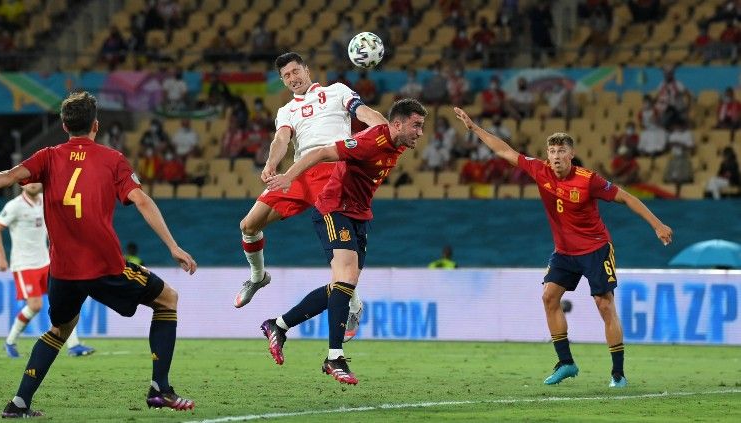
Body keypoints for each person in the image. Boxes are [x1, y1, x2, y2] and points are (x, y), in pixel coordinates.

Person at [0, 92, 198, 418]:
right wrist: (173, 246)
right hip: (105, 267)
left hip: (61, 272)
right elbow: (141, 201)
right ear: (96, 125)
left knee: (59, 330)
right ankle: (160, 388)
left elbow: (6, 178)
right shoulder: (112, 159)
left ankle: (18, 402)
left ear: (63, 126)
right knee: (167, 299)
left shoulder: (47, 156)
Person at [453, 106, 673, 388]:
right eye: (552, 152)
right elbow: (504, 151)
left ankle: (618, 374)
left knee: (604, 305)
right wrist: (474, 128)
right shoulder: (540, 170)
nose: (556, 157)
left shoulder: (589, 180)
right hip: (565, 252)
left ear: (571, 155)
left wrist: (657, 224)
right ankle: (566, 362)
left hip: (596, 249)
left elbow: (627, 198)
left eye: (561, 152)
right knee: (549, 297)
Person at [262, 98, 427, 385]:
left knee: (343, 286)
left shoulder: (397, 140)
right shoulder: (369, 142)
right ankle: (334, 357)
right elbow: (322, 152)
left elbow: (376, 119)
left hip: (359, 215)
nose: (420, 133)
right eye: (417, 125)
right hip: (334, 207)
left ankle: (278, 325)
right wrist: (288, 176)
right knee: (346, 280)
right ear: (398, 124)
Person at [234, 52, 388, 336]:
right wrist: (270, 164)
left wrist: (385, 128)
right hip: (301, 172)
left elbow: (364, 113)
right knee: (248, 225)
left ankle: (352, 303)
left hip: (335, 171)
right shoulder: (286, 110)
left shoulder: (337, 91)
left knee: (337, 254)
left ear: (307, 69)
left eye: (295, 71)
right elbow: (281, 139)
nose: (292, 79)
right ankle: (258, 276)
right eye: (286, 76)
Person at [0, 183, 95, 358]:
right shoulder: (14, 205)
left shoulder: (45, 201)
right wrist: (1, 257)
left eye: (35, 180)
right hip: (25, 264)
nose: (32, 184)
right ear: (22, 184)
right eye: (28, 180)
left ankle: (74, 345)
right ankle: (10, 342)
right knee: (35, 306)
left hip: (47, 262)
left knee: (65, 300)